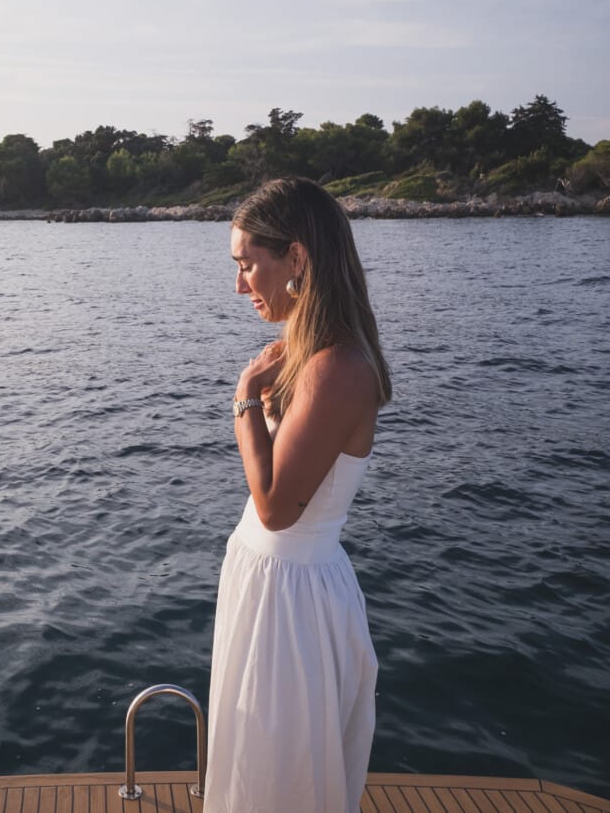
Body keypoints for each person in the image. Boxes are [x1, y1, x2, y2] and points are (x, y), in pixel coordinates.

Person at [206, 178, 391, 812]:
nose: (239, 286)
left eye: (247, 264)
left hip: (291, 600)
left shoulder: (334, 368)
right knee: (262, 768)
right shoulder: (316, 357)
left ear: (298, 259)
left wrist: (245, 400)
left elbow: (277, 508)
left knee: (281, 780)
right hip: (275, 587)